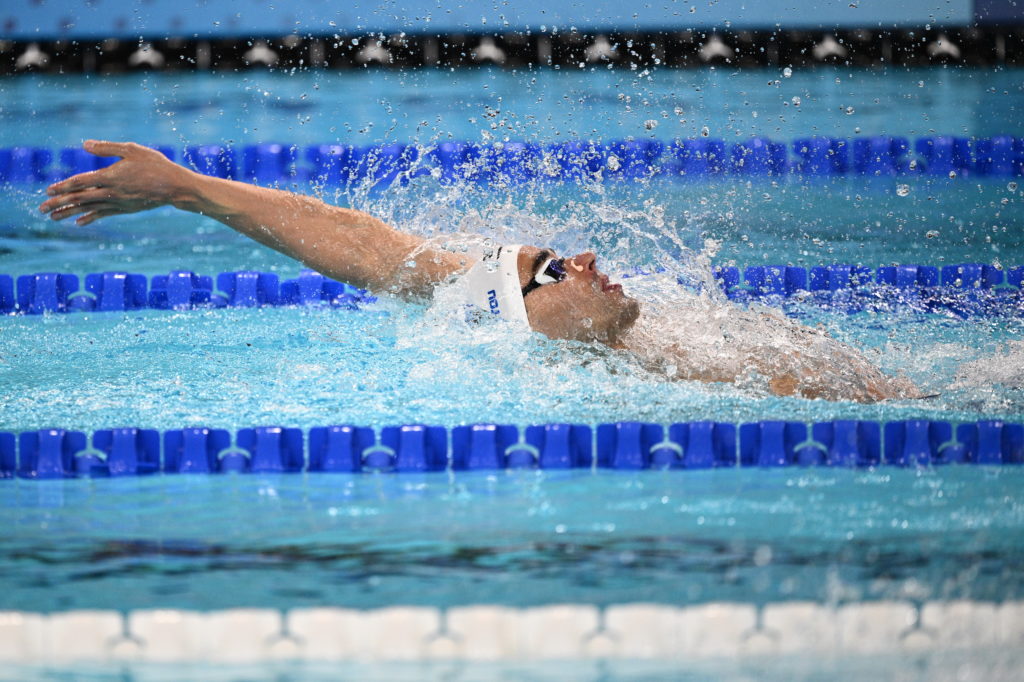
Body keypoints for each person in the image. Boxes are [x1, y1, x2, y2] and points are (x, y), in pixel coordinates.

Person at [39, 140, 920, 403]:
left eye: (557, 261)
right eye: (550, 273)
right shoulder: (639, 386)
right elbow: (377, 255)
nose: (584, 261)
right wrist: (189, 193)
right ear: (521, 327)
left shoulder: (652, 350)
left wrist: (191, 189)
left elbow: (378, 250)